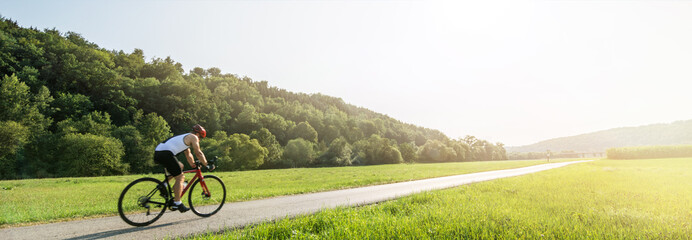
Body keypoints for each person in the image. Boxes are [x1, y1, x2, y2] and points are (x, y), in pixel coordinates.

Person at [154, 124, 213, 212]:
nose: (199, 139)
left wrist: (193, 164)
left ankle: (163, 185)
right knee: (180, 177)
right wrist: (207, 164)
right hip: (166, 154)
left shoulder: (185, 137)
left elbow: (188, 154)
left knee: (180, 166)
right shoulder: (193, 137)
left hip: (158, 153)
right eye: (200, 137)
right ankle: (178, 203)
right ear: (198, 134)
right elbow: (198, 153)